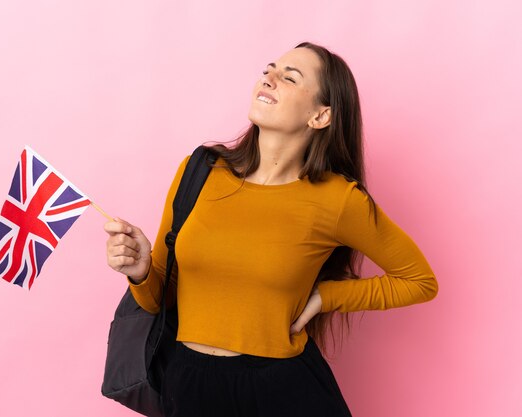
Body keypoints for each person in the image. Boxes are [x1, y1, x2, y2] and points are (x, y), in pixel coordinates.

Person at [103, 41, 438, 417]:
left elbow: (420, 281)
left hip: (282, 389)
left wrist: (324, 298)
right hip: (189, 384)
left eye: (289, 77)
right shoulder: (198, 172)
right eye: (269, 69)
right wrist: (141, 271)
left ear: (321, 116)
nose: (269, 77)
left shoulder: (339, 200)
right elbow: (158, 299)